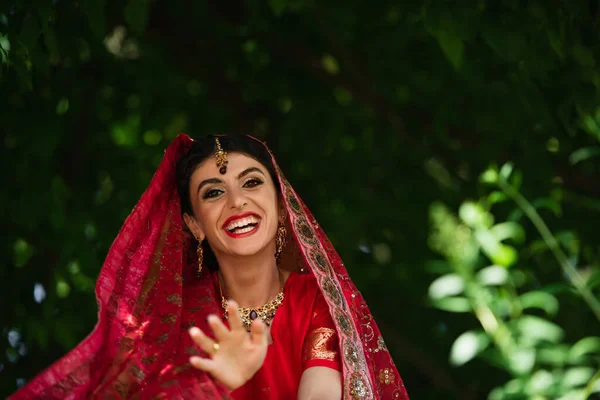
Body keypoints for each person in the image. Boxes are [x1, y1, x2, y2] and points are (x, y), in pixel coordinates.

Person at [9, 134, 409, 399]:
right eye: (214, 192)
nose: (236, 202)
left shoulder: (317, 301)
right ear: (194, 225)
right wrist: (217, 382)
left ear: (281, 204)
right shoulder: (174, 319)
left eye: (252, 183)